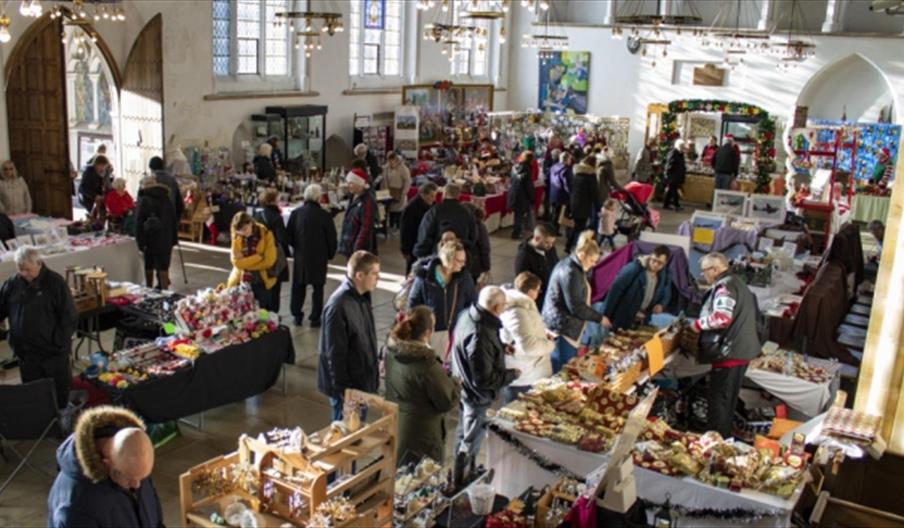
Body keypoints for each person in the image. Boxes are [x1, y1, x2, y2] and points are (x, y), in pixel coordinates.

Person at [48, 406, 164, 527]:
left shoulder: (132, 463)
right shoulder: (76, 508)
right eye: (130, 479)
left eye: (143, 477)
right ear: (107, 463)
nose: (137, 485)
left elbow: (155, 517)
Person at [691, 252, 761, 438]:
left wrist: (698, 324)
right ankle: (723, 438)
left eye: (705, 271)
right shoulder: (737, 282)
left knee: (719, 403)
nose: (703, 275)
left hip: (729, 353)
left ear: (715, 269)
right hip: (740, 350)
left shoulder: (724, 286)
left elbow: (722, 318)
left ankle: (715, 442)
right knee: (727, 401)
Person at [0, 247, 76, 409]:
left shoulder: (55, 283)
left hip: (52, 353)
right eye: (20, 269)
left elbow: (69, 317)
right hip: (25, 354)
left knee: (58, 394)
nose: (24, 273)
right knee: (32, 394)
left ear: (39, 263)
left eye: (28, 269)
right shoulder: (13, 283)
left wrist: (58, 341)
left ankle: (62, 418)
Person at [384, 306, 460, 465]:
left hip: (397, 424)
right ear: (427, 333)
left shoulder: (392, 352)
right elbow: (446, 401)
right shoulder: (426, 365)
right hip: (422, 434)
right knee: (421, 475)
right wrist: (456, 384)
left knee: (399, 470)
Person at [452, 286, 519, 458]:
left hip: (463, 384)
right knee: (471, 440)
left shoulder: (468, 315)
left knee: (463, 431)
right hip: (476, 396)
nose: (505, 309)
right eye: (504, 305)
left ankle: (460, 465)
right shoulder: (481, 334)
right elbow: (484, 379)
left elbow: (479, 352)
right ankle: (464, 470)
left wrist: (501, 348)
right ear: (496, 308)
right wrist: (512, 375)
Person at [318, 251, 380, 421]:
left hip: (360, 384)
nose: (378, 278)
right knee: (346, 434)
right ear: (359, 275)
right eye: (374, 273)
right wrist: (346, 394)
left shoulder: (361, 298)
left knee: (358, 432)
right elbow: (334, 355)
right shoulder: (338, 306)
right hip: (348, 391)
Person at [542, 231, 605, 373]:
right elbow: (576, 307)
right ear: (582, 255)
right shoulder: (571, 272)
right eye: (592, 260)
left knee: (566, 366)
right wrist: (600, 318)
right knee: (563, 369)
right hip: (563, 329)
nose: (594, 264)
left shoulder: (575, 267)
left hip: (564, 326)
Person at [408, 239, 477, 357]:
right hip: (430, 333)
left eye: (464, 260)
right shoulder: (425, 277)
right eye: (459, 261)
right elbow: (413, 304)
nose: (463, 264)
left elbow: (471, 302)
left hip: (455, 332)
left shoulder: (464, 278)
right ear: (447, 260)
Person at [287, 183, 338, 327]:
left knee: (298, 286)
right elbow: (332, 237)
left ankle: (297, 315)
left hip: (301, 256)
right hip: (319, 256)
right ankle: (315, 317)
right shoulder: (325, 215)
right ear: (318, 197)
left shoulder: (296, 213)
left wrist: (296, 247)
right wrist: (330, 253)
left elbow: (288, 234)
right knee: (318, 288)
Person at [500, 272, 555, 403]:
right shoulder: (518, 311)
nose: (538, 294)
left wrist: (542, 334)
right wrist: (550, 345)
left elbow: (525, 333)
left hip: (526, 371)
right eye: (538, 290)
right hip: (524, 375)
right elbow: (529, 346)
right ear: (531, 291)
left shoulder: (522, 307)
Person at [603, 245, 672, 331]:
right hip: (622, 318)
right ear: (650, 256)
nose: (655, 264)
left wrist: (661, 304)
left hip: (642, 320)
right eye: (654, 260)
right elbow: (615, 289)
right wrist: (605, 315)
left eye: (660, 263)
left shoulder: (664, 275)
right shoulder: (635, 268)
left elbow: (667, 292)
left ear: (665, 263)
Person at [227, 211, 279, 310]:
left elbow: (269, 261)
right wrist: (258, 257)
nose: (243, 233)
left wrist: (245, 262)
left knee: (262, 311)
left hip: (262, 280)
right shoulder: (237, 236)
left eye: (245, 229)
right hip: (242, 279)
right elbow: (236, 263)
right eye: (240, 231)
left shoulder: (266, 234)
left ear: (250, 223)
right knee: (243, 311)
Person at [134, 175, 178, 290]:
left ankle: (149, 291)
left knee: (149, 266)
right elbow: (173, 219)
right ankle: (165, 293)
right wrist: (173, 239)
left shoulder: (144, 199)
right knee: (163, 268)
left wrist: (140, 242)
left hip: (150, 240)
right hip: (166, 239)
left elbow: (138, 223)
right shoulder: (166, 197)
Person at [413, 182, 477, 259]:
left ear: (444, 193)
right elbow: (473, 235)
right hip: (460, 255)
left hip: (438, 255)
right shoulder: (467, 212)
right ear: (458, 195)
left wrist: (420, 253)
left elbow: (425, 234)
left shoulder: (434, 211)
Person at [254, 188, 291, 313]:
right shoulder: (276, 217)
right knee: (274, 287)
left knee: (262, 286)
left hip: (259, 256)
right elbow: (282, 238)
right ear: (273, 200)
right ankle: (273, 315)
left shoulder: (257, 215)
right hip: (274, 256)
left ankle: (262, 314)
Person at [514, 223, 558, 309]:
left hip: (551, 296)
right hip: (537, 302)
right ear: (536, 238)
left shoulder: (550, 248)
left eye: (552, 242)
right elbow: (523, 283)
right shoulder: (524, 256)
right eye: (547, 242)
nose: (550, 246)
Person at [401, 182, 438, 274]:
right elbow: (405, 230)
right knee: (412, 271)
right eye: (431, 196)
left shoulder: (431, 206)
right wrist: (405, 250)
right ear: (423, 194)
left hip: (425, 246)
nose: (434, 199)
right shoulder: (411, 208)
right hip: (413, 246)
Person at [339, 169, 377, 257]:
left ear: (359, 183)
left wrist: (357, 249)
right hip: (350, 245)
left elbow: (366, 227)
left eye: (350, 183)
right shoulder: (353, 196)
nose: (348, 186)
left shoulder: (367, 201)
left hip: (358, 249)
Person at [566, 155, 601, 253]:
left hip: (574, 202)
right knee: (580, 227)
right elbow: (594, 193)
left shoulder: (576, 172)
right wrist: (598, 207)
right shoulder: (591, 176)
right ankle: (578, 247)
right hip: (584, 204)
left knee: (577, 225)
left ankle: (569, 245)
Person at [508, 153, 536, 240]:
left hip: (514, 193)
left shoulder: (514, 167)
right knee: (520, 216)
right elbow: (528, 186)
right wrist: (532, 198)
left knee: (517, 215)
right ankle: (516, 233)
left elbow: (512, 180)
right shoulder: (527, 170)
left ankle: (517, 232)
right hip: (522, 195)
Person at [463, 202, 491, 283]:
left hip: (467, 263)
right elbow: (485, 247)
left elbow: (484, 248)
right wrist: (486, 266)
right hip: (474, 264)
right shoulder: (480, 226)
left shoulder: (460, 225)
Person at [382, 152, 411, 230]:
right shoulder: (387, 167)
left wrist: (404, 192)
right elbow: (385, 179)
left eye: (392, 161)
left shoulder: (403, 168)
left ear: (395, 159)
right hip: (390, 191)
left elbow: (407, 181)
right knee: (391, 210)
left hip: (399, 191)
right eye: (389, 161)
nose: (390, 163)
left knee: (399, 210)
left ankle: (398, 227)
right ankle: (391, 226)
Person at [549, 151, 573, 234]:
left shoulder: (554, 167)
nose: (570, 161)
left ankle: (553, 229)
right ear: (566, 159)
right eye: (570, 159)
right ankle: (555, 230)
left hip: (553, 193)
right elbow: (567, 185)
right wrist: (571, 194)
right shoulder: (566, 170)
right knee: (561, 214)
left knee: (554, 213)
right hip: (562, 195)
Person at [663, 139, 687, 211]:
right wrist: (667, 174)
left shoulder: (681, 154)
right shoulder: (673, 153)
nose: (682, 147)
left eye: (683, 146)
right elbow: (669, 164)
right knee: (673, 190)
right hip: (672, 175)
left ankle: (669, 204)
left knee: (672, 190)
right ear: (677, 146)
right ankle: (674, 205)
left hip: (677, 176)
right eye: (681, 146)